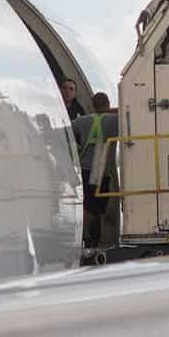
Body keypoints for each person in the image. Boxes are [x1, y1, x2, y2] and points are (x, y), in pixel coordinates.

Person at [71, 92, 119, 247]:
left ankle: (84, 234)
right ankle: (91, 237)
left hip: (84, 168)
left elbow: (69, 134)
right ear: (108, 104)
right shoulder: (115, 120)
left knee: (87, 203)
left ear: (92, 105)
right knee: (96, 208)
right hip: (100, 169)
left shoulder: (81, 121)